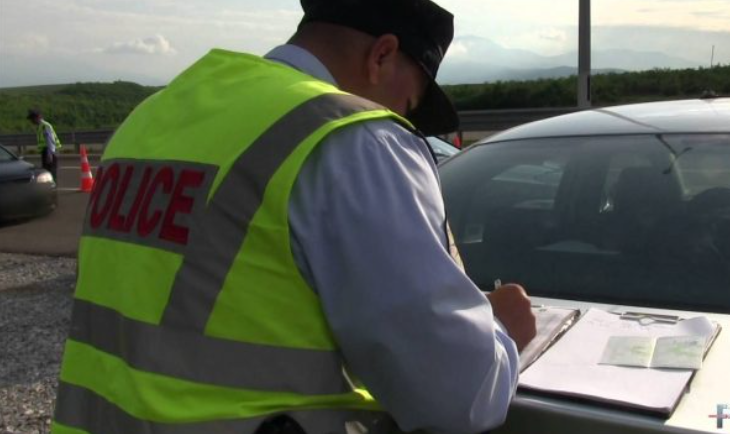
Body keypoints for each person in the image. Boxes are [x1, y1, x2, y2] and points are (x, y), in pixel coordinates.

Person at [52, 1, 536, 433]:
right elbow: (456, 397)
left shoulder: (150, 118)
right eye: (408, 102)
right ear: (382, 55)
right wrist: (501, 333)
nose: (398, 116)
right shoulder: (350, 139)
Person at [27, 109, 61, 182]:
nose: (32, 121)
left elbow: (50, 140)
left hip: (49, 151)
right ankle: (50, 186)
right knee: (47, 171)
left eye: (32, 119)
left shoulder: (45, 126)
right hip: (46, 151)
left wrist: (50, 154)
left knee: (50, 171)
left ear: (38, 117)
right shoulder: (40, 126)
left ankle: (53, 187)